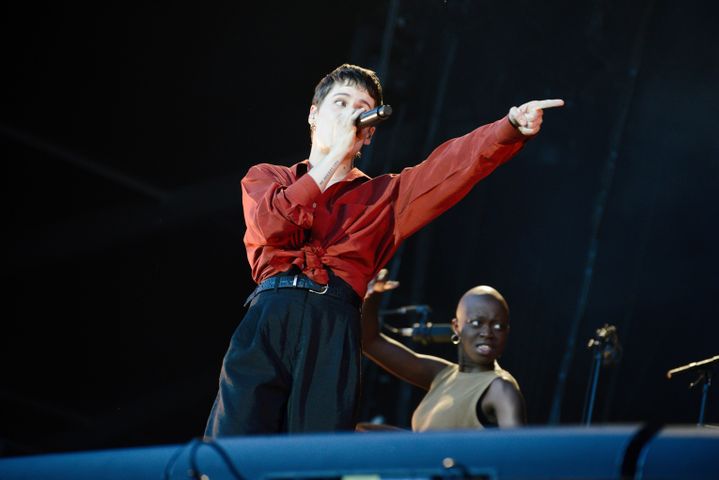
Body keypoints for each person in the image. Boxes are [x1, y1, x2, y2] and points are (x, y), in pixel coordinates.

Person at [205, 63, 561, 436]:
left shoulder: (384, 198)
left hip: (334, 327)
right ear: (314, 114)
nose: (350, 115)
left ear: (369, 132)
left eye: (360, 108)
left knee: (312, 458)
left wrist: (508, 128)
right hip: (269, 317)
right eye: (340, 103)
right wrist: (328, 163)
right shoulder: (267, 178)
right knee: (232, 448)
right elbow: (274, 224)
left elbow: (450, 168)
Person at [361, 270, 525, 430]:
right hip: (420, 456)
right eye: (476, 323)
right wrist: (373, 294)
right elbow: (370, 342)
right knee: (361, 431)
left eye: (498, 326)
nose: (487, 333)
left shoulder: (501, 389)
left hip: (444, 459)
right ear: (456, 327)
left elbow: (517, 454)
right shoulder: (442, 374)